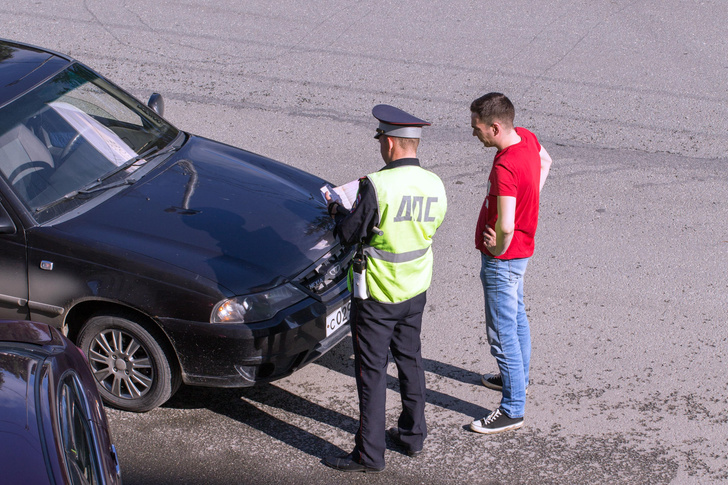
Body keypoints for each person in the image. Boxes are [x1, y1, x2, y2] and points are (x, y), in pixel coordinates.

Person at [323, 105, 447, 473]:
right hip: (415, 288)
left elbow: (348, 235)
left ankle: (369, 454)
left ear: (390, 143)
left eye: (381, 139)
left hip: (377, 294)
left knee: (372, 373)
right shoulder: (435, 184)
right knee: (410, 360)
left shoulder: (377, 185)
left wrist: (335, 211)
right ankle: (412, 435)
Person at [469, 93, 552, 434]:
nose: (474, 133)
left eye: (477, 128)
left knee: (502, 333)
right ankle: (517, 379)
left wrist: (499, 246)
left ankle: (513, 408)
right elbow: (546, 161)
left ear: (495, 126)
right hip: (524, 251)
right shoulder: (527, 138)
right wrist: (527, 202)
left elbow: (504, 225)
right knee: (517, 317)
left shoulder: (505, 165)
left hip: (504, 259)